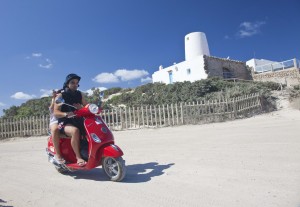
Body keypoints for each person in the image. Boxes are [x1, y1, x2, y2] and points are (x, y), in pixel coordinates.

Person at [54, 73, 88, 167]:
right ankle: (78, 157)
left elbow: (86, 106)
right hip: (65, 122)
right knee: (75, 131)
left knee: (90, 127)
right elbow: (56, 112)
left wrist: (82, 107)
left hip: (77, 120)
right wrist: (66, 114)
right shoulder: (61, 96)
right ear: (67, 83)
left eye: (77, 83)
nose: (75, 84)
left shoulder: (79, 94)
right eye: (72, 82)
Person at [49, 90, 65, 164]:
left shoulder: (64, 100)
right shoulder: (55, 101)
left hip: (64, 120)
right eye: (57, 93)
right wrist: (53, 98)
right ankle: (57, 154)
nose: (59, 94)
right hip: (55, 121)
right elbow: (52, 108)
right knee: (55, 129)